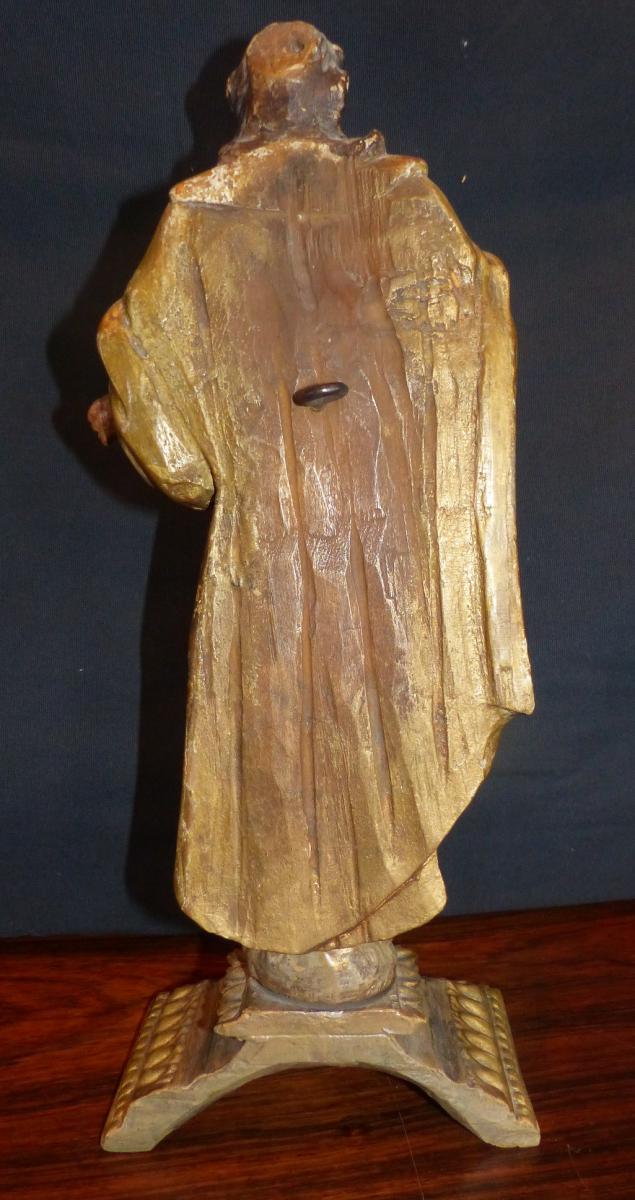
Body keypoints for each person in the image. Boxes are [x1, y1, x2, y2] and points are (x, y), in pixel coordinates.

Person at [89, 21, 533, 955]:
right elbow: (147, 360)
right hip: (313, 511)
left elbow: (157, 406)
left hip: (360, 502)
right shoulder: (223, 213)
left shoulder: (375, 195)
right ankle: (307, 928)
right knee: (308, 694)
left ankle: (348, 920)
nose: (319, 86)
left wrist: (132, 416)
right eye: (309, 72)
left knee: (364, 682)